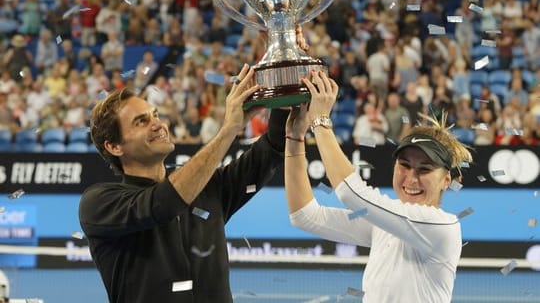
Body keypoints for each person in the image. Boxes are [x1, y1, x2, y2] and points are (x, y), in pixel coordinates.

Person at [79, 64, 288, 302]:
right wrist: (229, 129)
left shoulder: (208, 187)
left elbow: (271, 148)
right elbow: (164, 204)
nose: (158, 124)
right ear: (114, 146)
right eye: (141, 121)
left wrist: (283, 73)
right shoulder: (99, 203)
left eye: (155, 115)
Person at [284, 70, 473, 303]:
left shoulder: (442, 227)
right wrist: (294, 139)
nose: (411, 178)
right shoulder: (385, 224)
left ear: (447, 180)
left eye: (424, 169)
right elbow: (305, 216)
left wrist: (321, 121)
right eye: (404, 165)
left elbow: (353, 195)